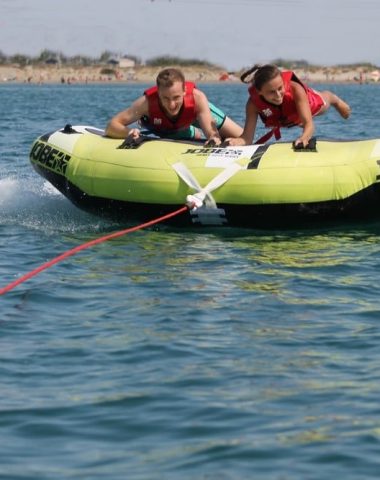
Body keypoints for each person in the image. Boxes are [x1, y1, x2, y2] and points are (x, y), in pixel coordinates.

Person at [105, 68, 242, 145]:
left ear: (184, 91)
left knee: (240, 137)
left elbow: (213, 135)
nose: (171, 104)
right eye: (165, 98)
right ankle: (193, 133)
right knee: (182, 134)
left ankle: (195, 130)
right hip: (165, 127)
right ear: (158, 94)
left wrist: (214, 140)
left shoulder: (197, 98)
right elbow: (112, 125)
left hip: (194, 115)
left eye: (176, 97)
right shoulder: (146, 103)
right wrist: (129, 132)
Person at [225, 64, 351, 147]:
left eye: (280, 88)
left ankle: (334, 99)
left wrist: (304, 137)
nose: (278, 95)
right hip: (286, 118)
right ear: (259, 92)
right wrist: (236, 142)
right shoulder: (253, 105)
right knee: (296, 119)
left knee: (324, 101)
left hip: (307, 104)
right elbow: (247, 138)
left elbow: (309, 125)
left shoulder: (295, 90)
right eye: (271, 92)